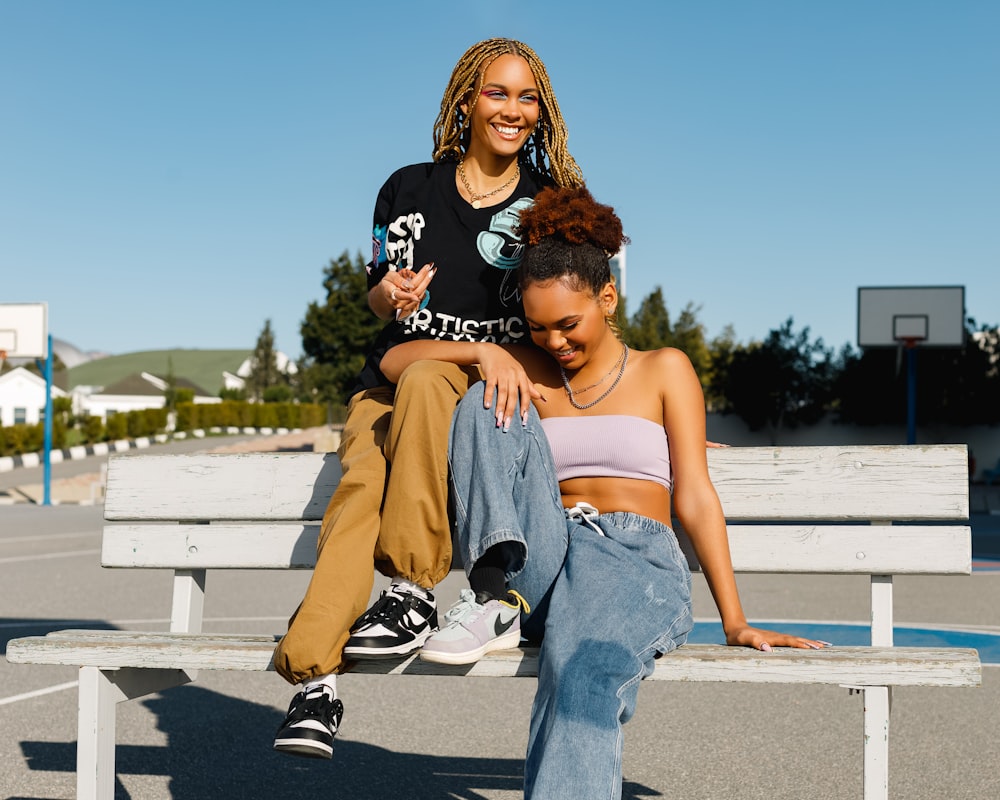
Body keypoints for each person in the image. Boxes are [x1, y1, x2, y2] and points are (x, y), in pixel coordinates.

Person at [379, 186, 829, 799]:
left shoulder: (664, 369)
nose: (554, 342)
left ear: (607, 297)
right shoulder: (527, 370)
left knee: (580, 674)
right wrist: (487, 352)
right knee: (486, 400)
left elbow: (693, 494)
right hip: (540, 559)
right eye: (538, 329)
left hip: (629, 562)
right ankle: (493, 598)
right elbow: (396, 361)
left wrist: (735, 618)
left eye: (569, 324)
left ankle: (510, 617)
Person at [271, 38, 585, 759]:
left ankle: (411, 589)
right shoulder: (406, 188)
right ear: (466, 100)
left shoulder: (550, 206)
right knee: (361, 483)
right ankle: (317, 682)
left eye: (526, 96)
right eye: (496, 93)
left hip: (485, 396)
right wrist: (389, 294)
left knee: (424, 385)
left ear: (541, 112)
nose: (512, 109)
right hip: (398, 373)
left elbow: (579, 324)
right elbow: (382, 297)